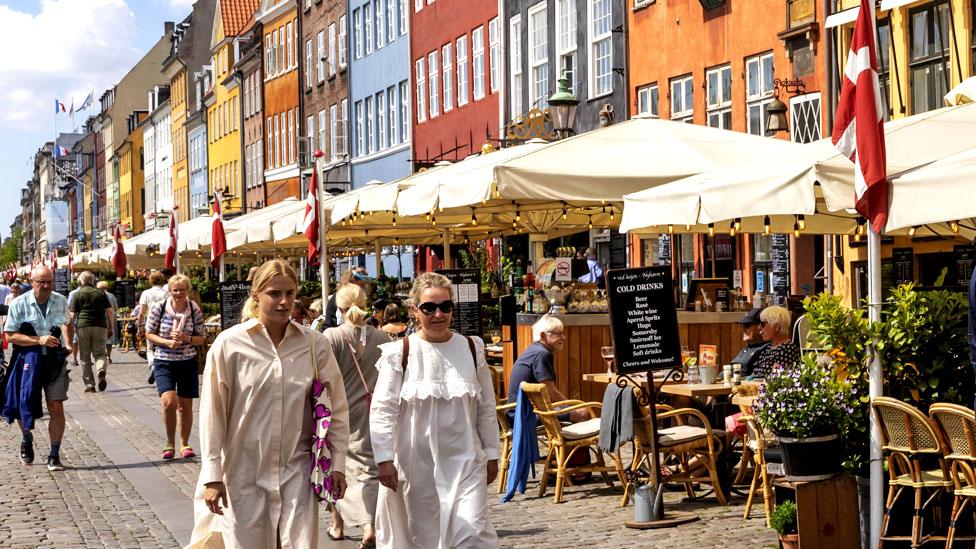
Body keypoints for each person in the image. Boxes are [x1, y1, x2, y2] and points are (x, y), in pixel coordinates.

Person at [189, 259, 349, 549]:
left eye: (289, 293)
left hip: (296, 471)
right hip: (243, 472)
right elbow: (213, 414)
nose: (284, 301)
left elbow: (336, 407)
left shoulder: (314, 345)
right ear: (256, 295)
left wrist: (337, 464)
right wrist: (212, 475)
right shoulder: (229, 345)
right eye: (275, 293)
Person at [371, 272, 499, 548]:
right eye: (429, 307)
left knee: (474, 534)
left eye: (445, 306)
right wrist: (383, 459)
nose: (438, 314)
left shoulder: (471, 348)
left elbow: (487, 406)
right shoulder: (400, 353)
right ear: (415, 310)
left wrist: (491, 454)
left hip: (465, 459)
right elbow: (383, 409)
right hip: (416, 463)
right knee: (423, 537)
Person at [323, 284, 388, 548]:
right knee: (369, 466)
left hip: (341, 410)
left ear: (338, 307)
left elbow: (322, 376)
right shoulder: (382, 337)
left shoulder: (331, 336)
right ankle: (365, 523)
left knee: (336, 465)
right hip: (375, 408)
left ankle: (349, 525)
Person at [2, 266, 73, 471]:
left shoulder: (59, 300)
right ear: (32, 282)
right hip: (27, 360)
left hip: (54, 361)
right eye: (42, 282)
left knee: (56, 406)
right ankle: (26, 438)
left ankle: (54, 454)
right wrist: (38, 339)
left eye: (49, 282)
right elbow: (10, 335)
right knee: (24, 404)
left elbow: (67, 322)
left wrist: (68, 342)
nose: (46, 286)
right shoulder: (18, 303)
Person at [144, 274, 206, 460]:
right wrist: (167, 342)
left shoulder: (193, 309)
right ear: (169, 291)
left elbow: (201, 337)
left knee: (185, 405)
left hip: (187, 361)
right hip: (164, 360)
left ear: (188, 290)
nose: (179, 293)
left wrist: (186, 339)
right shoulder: (159, 308)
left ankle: (184, 443)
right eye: (175, 289)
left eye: (182, 289)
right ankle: (169, 443)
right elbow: (148, 333)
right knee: (169, 402)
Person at [508, 314, 591, 423]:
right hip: (524, 415)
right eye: (558, 334)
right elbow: (550, 393)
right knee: (583, 413)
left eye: (563, 333)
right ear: (543, 336)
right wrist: (573, 405)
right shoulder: (542, 354)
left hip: (517, 412)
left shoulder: (534, 350)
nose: (564, 337)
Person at [69, 271, 114, 393]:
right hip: (100, 326)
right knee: (100, 353)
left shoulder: (77, 294)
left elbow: (72, 315)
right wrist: (111, 327)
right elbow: (110, 311)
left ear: (81, 281)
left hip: (83, 326)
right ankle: (100, 370)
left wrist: (69, 329)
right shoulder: (101, 293)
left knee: (84, 356)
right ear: (93, 280)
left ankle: (90, 385)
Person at [750, 305, 801, 379]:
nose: (759, 329)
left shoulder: (787, 350)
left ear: (777, 327)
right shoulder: (768, 348)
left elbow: (775, 382)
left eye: (762, 324)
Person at [139, 271, 169, 385]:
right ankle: (163, 368)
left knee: (150, 348)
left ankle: (153, 366)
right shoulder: (167, 293)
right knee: (163, 345)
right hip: (164, 324)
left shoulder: (146, 293)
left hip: (150, 324)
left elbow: (142, 312)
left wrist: (139, 326)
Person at [730, 308, 770, 377]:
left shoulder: (766, 349)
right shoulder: (749, 347)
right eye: (743, 326)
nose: (744, 329)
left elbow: (755, 379)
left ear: (760, 326)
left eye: (747, 326)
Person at [97, 281, 119, 363]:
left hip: (101, 318)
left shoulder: (98, 295)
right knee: (109, 338)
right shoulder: (112, 296)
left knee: (101, 339)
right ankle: (108, 356)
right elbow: (116, 308)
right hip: (111, 319)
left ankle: (103, 356)